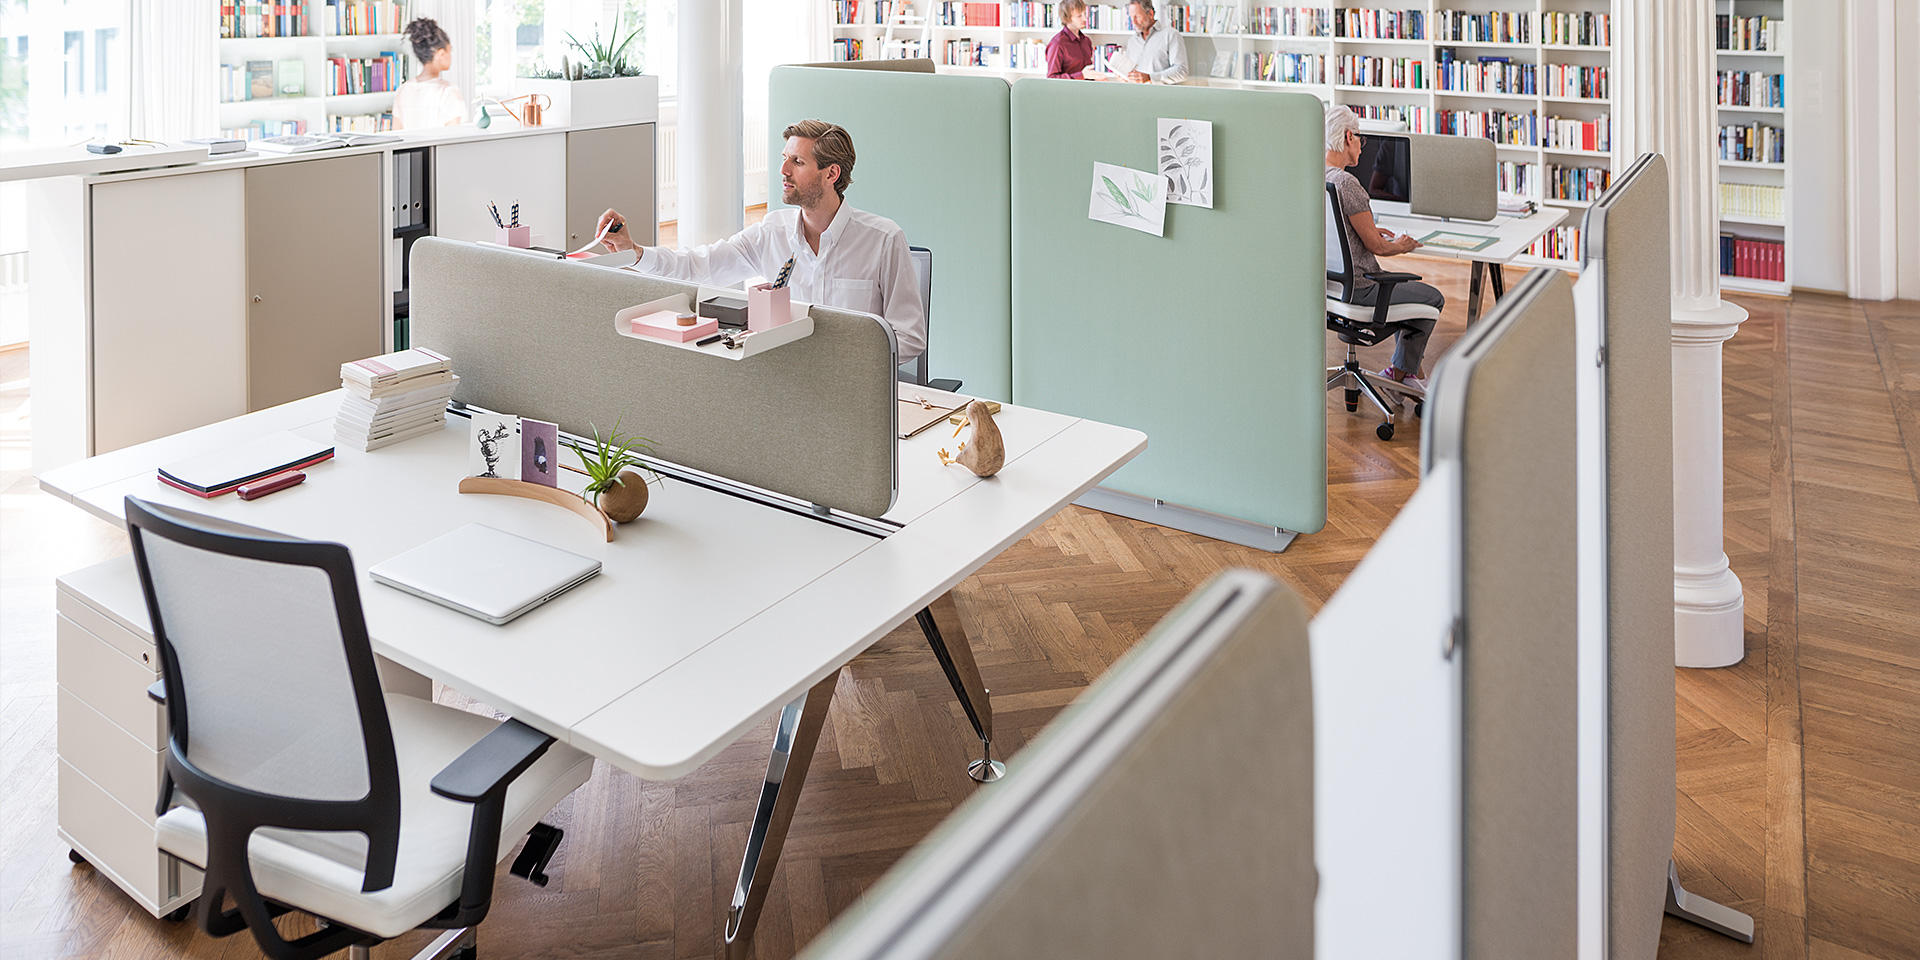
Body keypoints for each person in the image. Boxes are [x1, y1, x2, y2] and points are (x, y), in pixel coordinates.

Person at [597, 119, 927, 361]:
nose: (783, 170)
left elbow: (909, 336)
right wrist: (634, 252)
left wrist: (844, 360)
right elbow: (700, 266)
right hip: (784, 381)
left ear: (831, 174)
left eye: (797, 162)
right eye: (784, 158)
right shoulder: (772, 232)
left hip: (855, 389)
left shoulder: (883, 240)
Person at [1324, 103, 1444, 390]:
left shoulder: (1317, 178)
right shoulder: (1346, 183)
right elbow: (1378, 247)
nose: (1363, 148)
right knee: (1432, 298)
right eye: (1360, 139)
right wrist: (1402, 245)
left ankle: (1408, 375)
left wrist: (1366, 228)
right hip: (1363, 291)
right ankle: (1400, 375)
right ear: (1349, 137)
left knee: (1409, 297)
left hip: (1330, 289)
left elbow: (1336, 229)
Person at [393, 18, 469, 129]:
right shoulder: (447, 91)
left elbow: (396, 134)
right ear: (441, 53)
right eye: (450, 51)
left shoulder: (403, 89)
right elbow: (455, 136)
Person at [1121, 0, 1188, 84]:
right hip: (1135, 95)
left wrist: (1150, 78)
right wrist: (1123, 77)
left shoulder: (1171, 35)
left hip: (1161, 95)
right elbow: (1130, 72)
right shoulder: (1132, 41)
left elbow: (1181, 72)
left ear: (1151, 14)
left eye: (1137, 16)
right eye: (1131, 17)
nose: (1133, 22)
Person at [1045, 0, 1096, 80]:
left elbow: (1088, 73)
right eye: (1079, 16)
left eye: (1085, 14)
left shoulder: (1086, 41)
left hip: (1087, 90)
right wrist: (1081, 75)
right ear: (1067, 18)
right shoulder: (1057, 44)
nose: (1085, 19)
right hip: (1067, 91)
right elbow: (1052, 78)